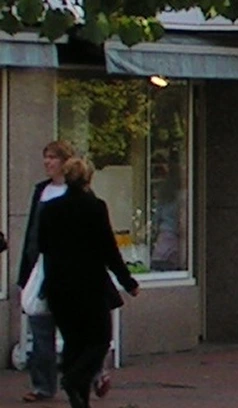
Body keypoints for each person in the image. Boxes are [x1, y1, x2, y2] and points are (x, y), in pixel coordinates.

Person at [35, 158, 138, 408]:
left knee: (74, 341)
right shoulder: (95, 207)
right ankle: (74, 380)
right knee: (100, 339)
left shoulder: (50, 209)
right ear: (88, 179)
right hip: (89, 286)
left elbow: (42, 246)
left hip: (59, 286)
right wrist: (127, 281)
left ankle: (79, 398)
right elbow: (108, 250)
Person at [17, 140, 73, 403]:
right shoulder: (41, 190)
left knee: (75, 332)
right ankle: (43, 385)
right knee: (40, 330)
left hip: (67, 271)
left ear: (65, 161)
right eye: (46, 157)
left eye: (53, 158)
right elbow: (32, 232)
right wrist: (25, 270)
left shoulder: (76, 192)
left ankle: (91, 374)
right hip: (40, 270)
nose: (47, 162)